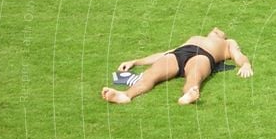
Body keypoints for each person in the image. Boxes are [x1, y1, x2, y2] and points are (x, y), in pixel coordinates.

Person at [101, 27, 253, 105]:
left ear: (223, 35)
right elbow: (166, 52)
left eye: (219, 31)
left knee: (194, 77)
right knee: (151, 74)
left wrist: (245, 64)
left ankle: (188, 96)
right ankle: (126, 95)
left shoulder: (227, 43)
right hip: (180, 53)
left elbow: (238, 55)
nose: (215, 29)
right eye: (213, 29)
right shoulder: (194, 37)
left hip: (204, 55)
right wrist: (135, 61)